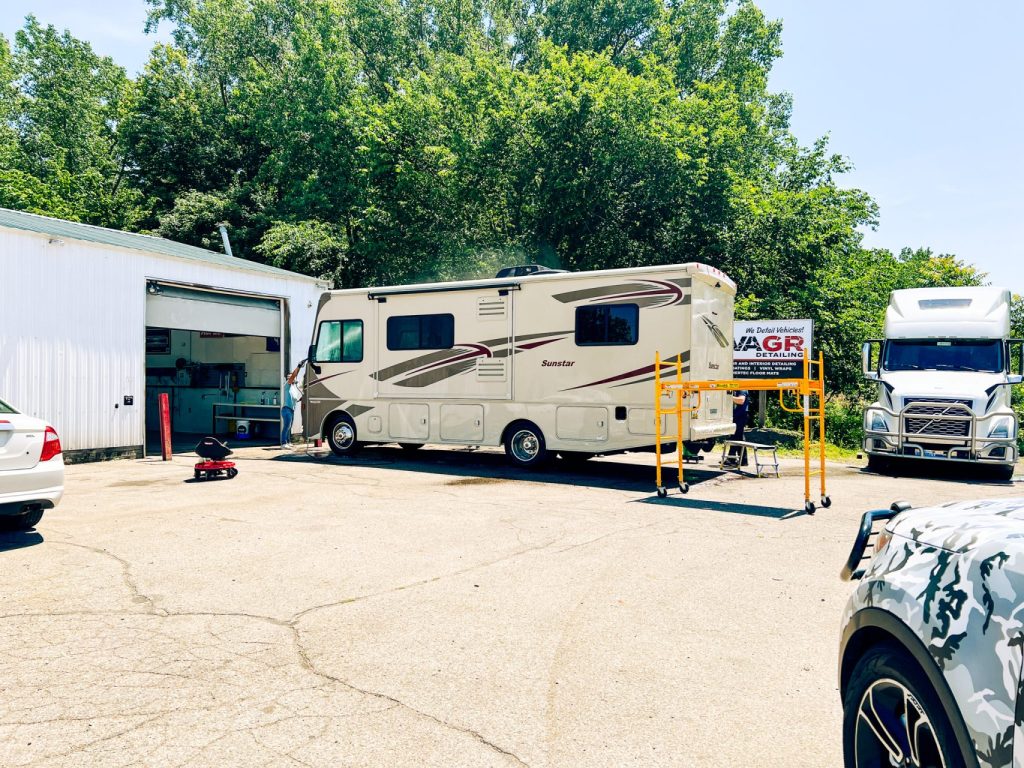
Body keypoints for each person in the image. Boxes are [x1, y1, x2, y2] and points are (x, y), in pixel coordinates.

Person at [281, 360, 305, 449]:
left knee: (289, 427)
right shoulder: (287, 385)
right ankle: (283, 443)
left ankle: (288, 442)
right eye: (290, 376)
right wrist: (298, 366)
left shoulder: (294, 388)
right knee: (286, 426)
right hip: (286, 409)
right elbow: (294, 375)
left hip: (291, 409)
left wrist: (300, 399)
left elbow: (293, 399)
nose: (292, 377)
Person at [725, 390, 749, 467]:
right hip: (737, 416)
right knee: (739, 437)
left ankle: (731, 458)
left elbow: (741, 400)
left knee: (735, 437)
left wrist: (729, 397)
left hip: (741, 416)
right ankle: (743, 460)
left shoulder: (742, 389)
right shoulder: (736, 389)